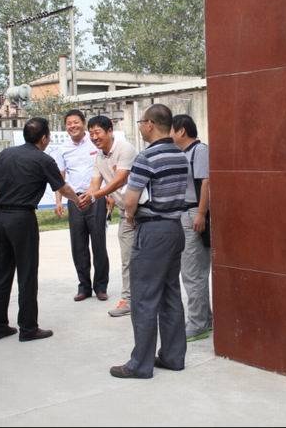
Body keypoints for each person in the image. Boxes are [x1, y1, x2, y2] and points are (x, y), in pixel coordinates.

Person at [110, 104, 189, 379]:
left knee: (143, 298)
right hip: (174, 228)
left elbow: (130, 199)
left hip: (152, 231)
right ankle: (173, 357)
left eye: (142, 122)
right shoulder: (180, 155)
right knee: (170, 295)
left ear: (151, 124)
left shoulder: (146, 157)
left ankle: (140, 365)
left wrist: (130, 217)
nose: (141, 127)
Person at [0, 117, 80, 341]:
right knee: (27, 273)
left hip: (1, 217)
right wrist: (78, 201)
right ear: (44, 138)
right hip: (22, 218)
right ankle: (28, 328)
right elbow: (63, 187)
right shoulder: (43, 159)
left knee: (1, 272)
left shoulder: (6, 154)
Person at [80, 115, 138, 317]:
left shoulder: (125, 149)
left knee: (148, 258)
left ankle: (149, 298)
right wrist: (84, 197)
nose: (94, 137)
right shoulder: (99, 156)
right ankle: (129, 300)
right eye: (91, 133)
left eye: (97, 132)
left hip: (144, 211)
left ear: (110, 131)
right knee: (127, 259)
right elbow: (95, 184)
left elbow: (120, 180)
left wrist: (94, 196)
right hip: (126, 214)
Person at [50, 109, 108, 302]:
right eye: (69, 123)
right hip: (75, 200)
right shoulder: (62, 149)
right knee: (78, 246)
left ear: (83, 123)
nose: (72, 126)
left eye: (76, 122)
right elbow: (60, 177)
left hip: (96, 198)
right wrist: (58, 200)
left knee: (98, 244)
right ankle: (84, 287)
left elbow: (105, 169)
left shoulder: (95, 143)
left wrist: (107, 194)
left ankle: (101, 287)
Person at [171, 114, 214, 342]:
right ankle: (205, 318)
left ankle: (198, 324)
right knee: (191, 271)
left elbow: (206, 182)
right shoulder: (183, 153)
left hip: (193, 214)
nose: (169, 135)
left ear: (181, 131)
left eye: (171, 130)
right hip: (185, 214)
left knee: (193, 273)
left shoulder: (199, 151)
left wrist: (200, 213)